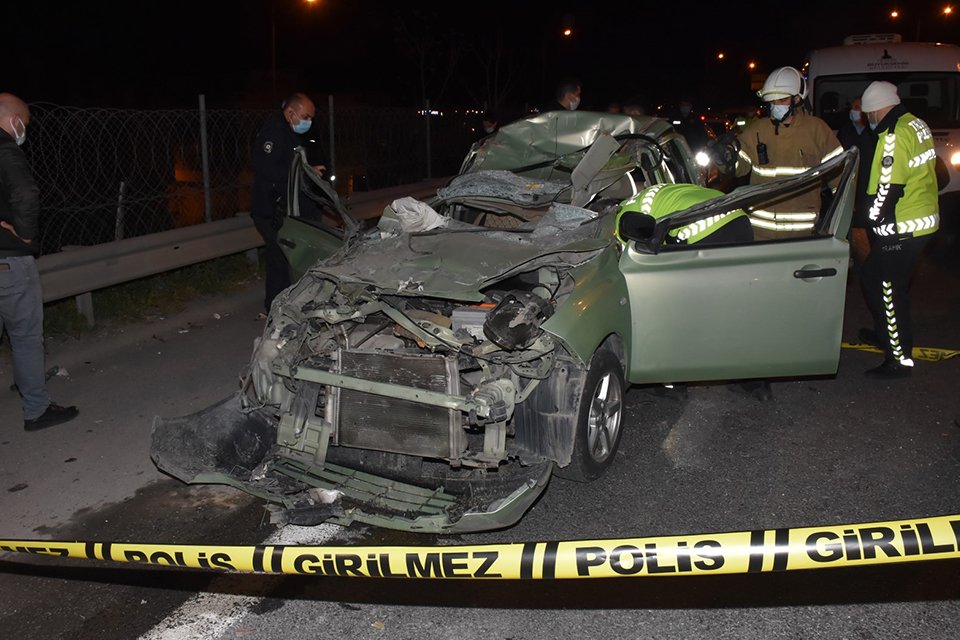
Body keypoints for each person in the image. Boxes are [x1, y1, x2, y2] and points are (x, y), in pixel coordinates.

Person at [0, 93, 79, 431]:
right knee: (26, 335)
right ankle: (36, 409)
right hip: (10, 261)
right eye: (24, 124)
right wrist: (26, 235)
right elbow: (26, 194)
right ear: (13, 119)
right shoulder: (5, 149)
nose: (23, 131)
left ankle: (24, 380)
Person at [858, 80, 939, 379]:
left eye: (868, 115)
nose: (868, 121)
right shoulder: (916, 124)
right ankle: (886, 335)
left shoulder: (893, 136)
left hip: (901, 227)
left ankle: (898, 357)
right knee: (876, 279)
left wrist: (873, 220)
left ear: (875, 111)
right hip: (920, 221)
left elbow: (889, 190)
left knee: (887, 288)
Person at [734, 66, 844, 240]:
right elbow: (740, 166)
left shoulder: (817, 130)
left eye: (782, 100)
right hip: (761, 235)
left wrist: (841, 219)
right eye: (772, 101)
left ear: (797, 99)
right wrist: (726, 156)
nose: (776, 106)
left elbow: (840, 175)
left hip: (802, 236)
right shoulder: (757, 129)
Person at [251, 92, 325, 312]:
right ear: (291, 112)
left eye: (311, 118)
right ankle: (274, 309)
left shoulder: (289, 131)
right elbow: (269, 169)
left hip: (284, 209)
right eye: (305, 116)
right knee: (279, 260)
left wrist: (307, 171)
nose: (308, 122)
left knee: (289, 259)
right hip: (270, 210)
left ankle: (289, 304)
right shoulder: (274, 132)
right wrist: (303, 171)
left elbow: (292, 164)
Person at [616, 183, 753, 246]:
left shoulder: (622, 221)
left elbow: (635, 256)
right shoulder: (643, 198)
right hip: (738, 216)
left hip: (707, 229)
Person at [836, 96, 877, 270]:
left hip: (869, 186)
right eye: (853, 107)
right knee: (847, 225)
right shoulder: (845, 132)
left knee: (872, 224)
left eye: (859, 107)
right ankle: (849, 259)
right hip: (850, 185)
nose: (855, 110)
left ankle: (876, 258)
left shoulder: (873, 132)